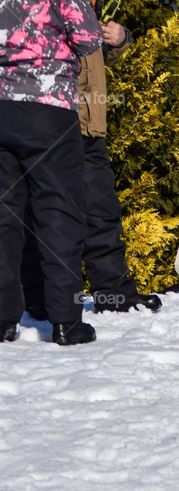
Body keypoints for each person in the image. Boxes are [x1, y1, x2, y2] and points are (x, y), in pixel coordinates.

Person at [21, 2, 162, 318]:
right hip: (57, 124)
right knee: (46, 213)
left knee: (100, 210)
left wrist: (119, 39)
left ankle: (112, 294)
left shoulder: (84, 10)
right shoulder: (47, 9)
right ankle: (39, 299)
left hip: (87, 128)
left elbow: (90, 61)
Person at [0, 0, 101, 344]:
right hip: (49, 108)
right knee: (60, 212)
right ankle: (65, 321)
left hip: (1, 107)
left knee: (4, 215)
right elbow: (89, 38)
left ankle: (2, 319)